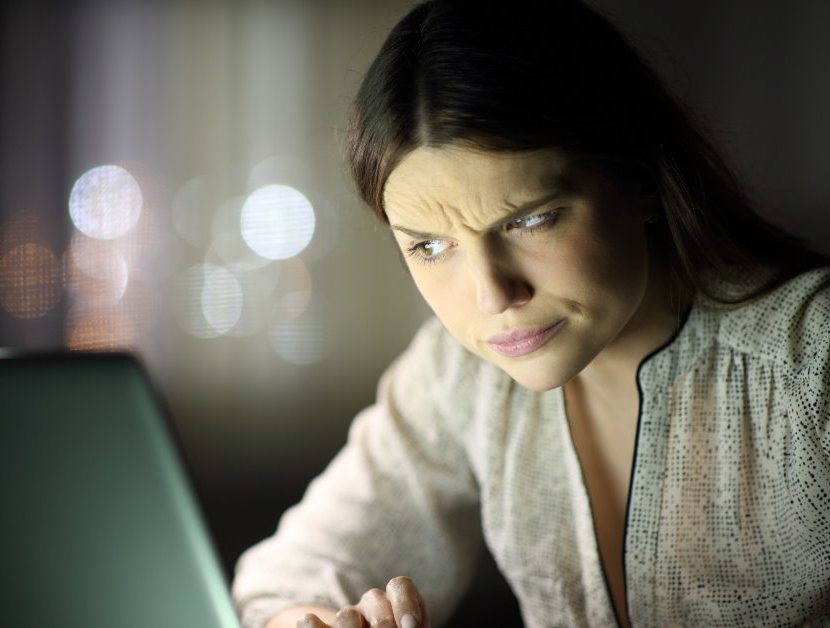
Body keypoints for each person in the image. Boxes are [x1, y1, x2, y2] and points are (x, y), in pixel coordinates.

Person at [231, 0, 830, 626]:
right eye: (430, 247)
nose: (492, 296)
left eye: (530, 219)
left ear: (641, 180)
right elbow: (291, 574)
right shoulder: (457, 373)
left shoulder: (813, 362)